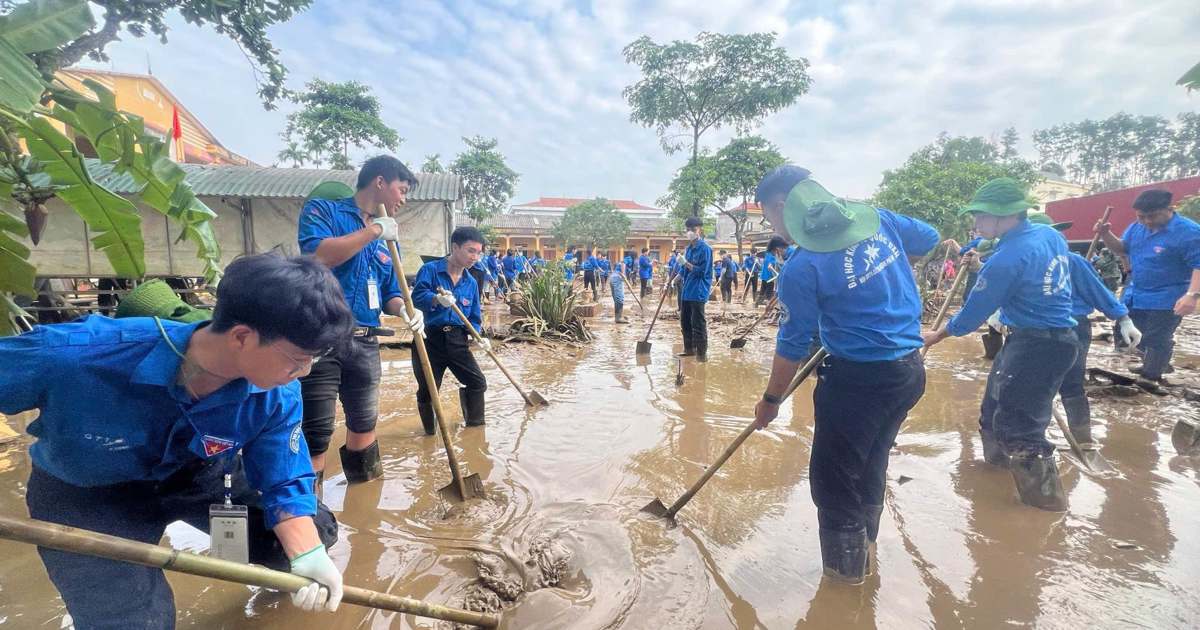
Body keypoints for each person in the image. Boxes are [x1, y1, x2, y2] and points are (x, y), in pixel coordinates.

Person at [1, 254, 354, 626]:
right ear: (241, 337)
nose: (303, 372)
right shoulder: (76, 355)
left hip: (198, 473)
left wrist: (308, 556)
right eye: (298, 359)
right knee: (131, 621)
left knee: (316, 532)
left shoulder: (277, 396)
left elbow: (284, 479)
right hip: (86, 493)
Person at [751, 165, 937, 585]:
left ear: (782, 206)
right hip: (909, 370)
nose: (773, 226)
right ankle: (866, 562)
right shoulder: (877, 218)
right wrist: (882, 282)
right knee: (870, 467)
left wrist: (771, 401)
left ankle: (844, 588)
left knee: (833, 484)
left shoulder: (802, 266)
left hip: (858, 381)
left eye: (768, 217)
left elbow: (793, 344)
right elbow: (927, 237)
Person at [923, 178, 1078, 512]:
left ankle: (1046, 509)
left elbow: (971, 316)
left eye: (980, 216)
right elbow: (1025, 273)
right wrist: (982, 264)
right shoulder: (1048, 235)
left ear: (1004, 215)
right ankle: (995, 473)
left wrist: (936, 335)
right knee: (993, 413)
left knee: (1022, 431)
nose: (975, 224)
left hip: (1037, 345)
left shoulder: (1007, 258)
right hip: (1045, 341)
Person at [297, 156, 424, 484]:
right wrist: (374, 231)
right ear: (380, 182)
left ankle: (364, 510)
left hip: (365, 342)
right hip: (320, 338)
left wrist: (406, 311)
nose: (403, 199)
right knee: (316, 433)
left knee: (365, 424)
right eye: (402, 189)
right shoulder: (324, 211)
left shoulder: (389, 238)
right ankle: (309, 518)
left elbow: (390, 292)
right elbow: (319, 255)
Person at [1022, 213, 1142, 446]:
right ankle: (1034, 438)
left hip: (1070, 328)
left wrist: (1124, 318)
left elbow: (1099, 292)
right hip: (1035, 330)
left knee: (1070, 383)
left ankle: (1081, 438)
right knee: (1038, 385)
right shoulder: (1026, 261)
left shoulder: (1072, 262)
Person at [1095, 189, 1200, 382]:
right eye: (1141, 217)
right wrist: (1105, 234)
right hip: (1136, 292)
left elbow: (1198, 264)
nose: (1146, 221)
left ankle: (1152, 376)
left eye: (1152, 216)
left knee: (1157, 337)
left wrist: (1192, 295)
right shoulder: (1137, 228)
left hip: (1168, 296)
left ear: (1170, 208)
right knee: (1125, 331)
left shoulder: (1189, 232)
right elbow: (1122, 249)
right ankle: (1133, 367)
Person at [410, 226, 490, 433]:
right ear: (455, 247)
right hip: (428, 339)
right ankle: (430, 434)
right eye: (471, 250)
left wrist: (477, 335)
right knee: (428, 392)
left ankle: (474, 431)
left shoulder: (471, 282)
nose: (475, 257)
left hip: (457, 340)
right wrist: (435, 299)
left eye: (479, 252)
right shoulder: (430, 270)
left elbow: (473, 317)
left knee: (477, 383)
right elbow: (415, 299)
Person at [678, 217, 714, 361]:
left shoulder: (705, 249)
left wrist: (686, 264)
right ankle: (689, 349)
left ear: (699, 230)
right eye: (688, 230)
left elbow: (702, 271)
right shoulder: (689, 249)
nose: (690, 232)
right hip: (687, 290)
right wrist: (676, 278)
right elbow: (684, 270)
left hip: (698, 291)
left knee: (698, 323)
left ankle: (701, 354)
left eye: (693, 230)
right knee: (685, 321)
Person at [758, 236, 787, 305]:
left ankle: (760, 303)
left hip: (769, 277)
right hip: (769, 276)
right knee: (766, 291)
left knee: (766, 291)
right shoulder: (772, 256)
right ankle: (761, 303)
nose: (775, 255)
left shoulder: (784, 257)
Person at [611, 257, 629, 323]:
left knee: (617, 298)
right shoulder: (629, 259)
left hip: (613, 277)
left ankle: (618, 317)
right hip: (617, 278)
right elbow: (623, 263)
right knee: (620, 298)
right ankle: (619, 318)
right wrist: (624, 275)